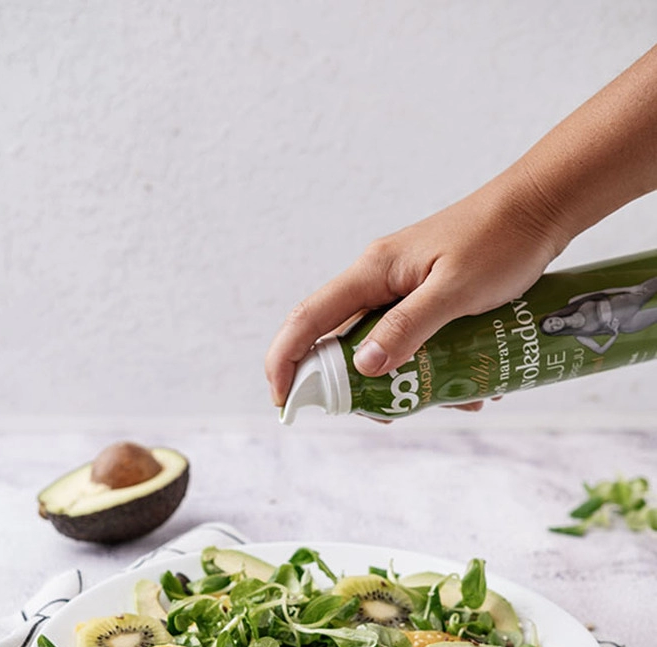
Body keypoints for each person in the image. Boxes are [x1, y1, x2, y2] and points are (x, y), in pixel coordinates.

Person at [265, 44, 657, 412]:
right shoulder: (579, 328)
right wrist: (531, 215)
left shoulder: (579, 311)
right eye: (554, 324)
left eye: (552, 323)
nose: (555, 322)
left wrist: (529, 214)